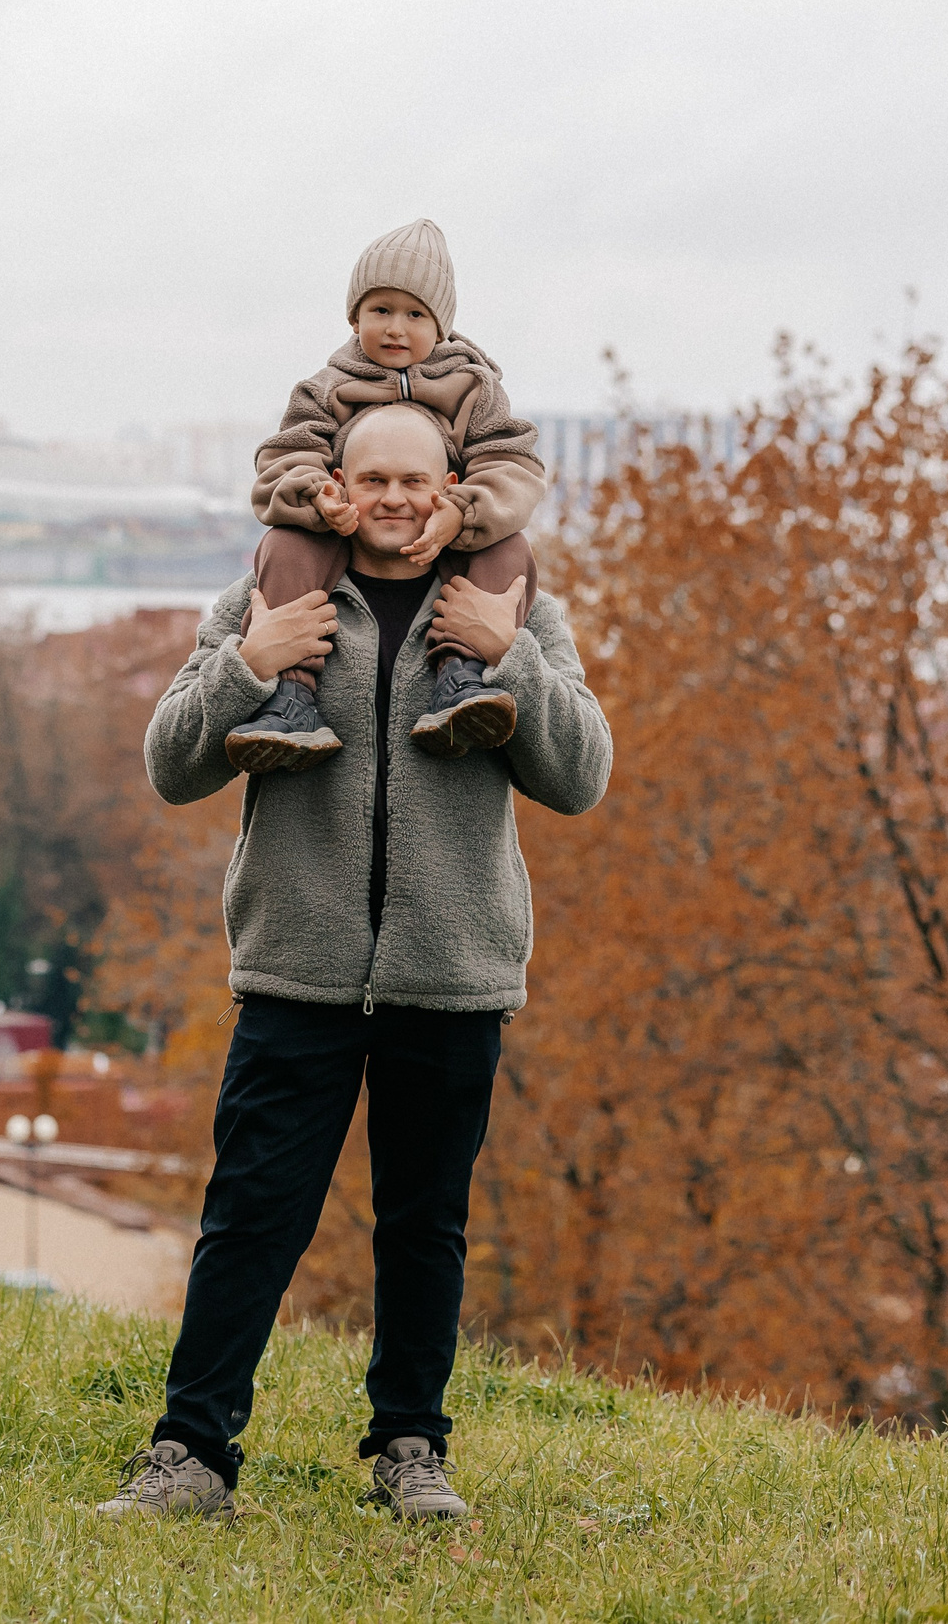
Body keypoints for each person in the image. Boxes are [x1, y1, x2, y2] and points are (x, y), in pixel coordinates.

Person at [98, 400, 611, 1523]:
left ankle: (410, 1450)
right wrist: (249, 664)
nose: (391, 500)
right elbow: (170, 765)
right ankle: (190, 1458)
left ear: (448, 492)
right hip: (296, 971)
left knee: (423, 1226)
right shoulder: (270, 597)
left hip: (451, 971)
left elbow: (582, 776)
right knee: (250, 1216)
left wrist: (507, 657)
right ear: (335, 487)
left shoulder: (509, 603)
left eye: (412, 482)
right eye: (369, 479)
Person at [225, 219, 548, 773]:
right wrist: (318, 496)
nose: (396, 328)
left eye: (415, 314)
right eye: (381, 310)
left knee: (509, 551)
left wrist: (462, 511)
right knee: (285, 545)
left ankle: (463, 676)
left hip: (450, 543)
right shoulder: (325, 389)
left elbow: (512, 465)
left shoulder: (472, 388)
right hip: (340, 535)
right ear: (354, 317)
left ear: (442, 326)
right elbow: (284, 458)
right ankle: (291, 696)